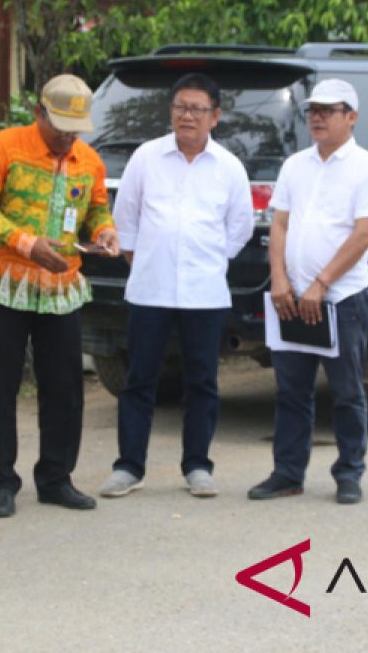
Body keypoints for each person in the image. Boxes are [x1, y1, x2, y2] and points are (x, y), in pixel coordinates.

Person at [0, 74, 119, 518]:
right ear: (38, 113)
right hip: (3, 286)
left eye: (75, 127)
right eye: (60, 126)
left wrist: (105, 232)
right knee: (2, 385)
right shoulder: (5, 146)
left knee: (65, 386)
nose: (68, 135)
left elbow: (96, 208)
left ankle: (55, 478)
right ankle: (1, 482)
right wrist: (25, 243)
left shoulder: (88, 160)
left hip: (60, 290)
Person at [98, 73, 253, 500]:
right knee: (139, 380)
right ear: (170, 112)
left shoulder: (229, 168)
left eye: (197, 109)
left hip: (205, 294)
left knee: (201, 382)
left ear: (215, 117)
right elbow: (125, 222)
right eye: (180, 107)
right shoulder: (146, 159)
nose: (187, 115)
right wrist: (149, 263)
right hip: (150, 291)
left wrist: (204, 261)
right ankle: (129, 466)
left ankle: (198, 466)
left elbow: (238, 230)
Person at [247, 79, 368, 505]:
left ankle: (349, 473)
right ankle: (287, 472)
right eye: (313, 110)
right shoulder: (296, 165)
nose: (317, 118)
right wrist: (279, 278)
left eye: (329, 111)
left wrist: (322, 283)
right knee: (291, 389)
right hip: (291, 298)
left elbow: (365, 233)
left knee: (347, 390)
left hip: (341, 298)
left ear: (352, 117)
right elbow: (280, 223)